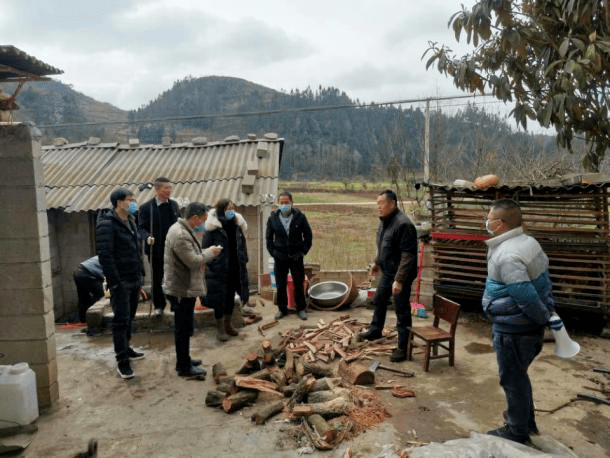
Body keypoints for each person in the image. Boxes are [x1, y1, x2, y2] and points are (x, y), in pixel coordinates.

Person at [483, 198, 555, 444]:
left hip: (514, 332)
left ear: (501, 224)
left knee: (512, 379)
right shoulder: (529, 242)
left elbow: (526, 297)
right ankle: (526, 421)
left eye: (490, 219)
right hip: (526, 330)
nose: (487, 223)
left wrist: (541, 320)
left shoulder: (508, 255)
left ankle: (517, 431)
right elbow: (544, 283)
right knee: (520, 377)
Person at [163, 203, 221, 377]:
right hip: (181, 288)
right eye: (203, 219)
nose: (203, 223)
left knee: (186, 327)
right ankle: (183, 367)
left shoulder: (182, 229)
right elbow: (194, 261)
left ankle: (185, 359)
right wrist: (210, 253)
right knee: (182, 329)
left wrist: (206, 252)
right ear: (195, 218)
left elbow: (193, 254)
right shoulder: (180, 235)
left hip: (182, 285)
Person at [360, 189, 418, 362]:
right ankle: (375, 330)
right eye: (377, 204)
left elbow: (408, 255)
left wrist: (399, 280)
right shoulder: (384, 221)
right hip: (388, 271)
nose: (378, 207)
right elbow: (383, 246)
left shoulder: (403, 224)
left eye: (381, 204)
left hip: (401, 274)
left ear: (391, 204)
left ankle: (403, 347)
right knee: (379, 299)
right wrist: (377, 263)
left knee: (401, 309)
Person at [96, 188, 145, 380]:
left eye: (134, 199)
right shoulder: (107, 224)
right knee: (120, 321)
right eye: (130, 200)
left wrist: (140, 278)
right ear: (118, 202)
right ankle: (122, 361)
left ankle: (127, 347)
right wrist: (116, 283)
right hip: (120, 282)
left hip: (133, 279)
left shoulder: (130, 220)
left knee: (129, 318)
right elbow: (105, 257)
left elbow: (135, 251)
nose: (134, 203)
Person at [203, 199, 249, 342]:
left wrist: (244, 259)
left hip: (235, 267)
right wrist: (213, 264)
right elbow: (205, 249)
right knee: (219, 300)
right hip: (219, 269)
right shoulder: (213, 228)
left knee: (230, 297)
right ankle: (220, 329)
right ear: (221, 209)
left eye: (232, 208)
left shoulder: (237, 225)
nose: (231, 211)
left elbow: (243, 244)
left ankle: (228, 325)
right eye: (228, 208)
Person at [265, 191, 313, 321]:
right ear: (278, 204)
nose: (284, 205)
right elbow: (268, 239)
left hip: (296, 256)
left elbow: (308, 236)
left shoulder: (300, 217)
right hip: (280, 257)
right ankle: (282, 309)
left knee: (298, 283)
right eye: (282, 203)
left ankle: (301, 309)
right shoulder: (272, 218)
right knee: (280, 284)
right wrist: (274, 254)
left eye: (287, 203)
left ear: (292, 203)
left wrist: (302, 251)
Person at [138, 177, 180, 316]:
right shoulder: (146, 208)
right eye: (166, 188)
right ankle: (159, 306)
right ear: (157, 189)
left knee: (173, 277)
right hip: (155, 250)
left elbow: (179, 225)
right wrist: (147, 237)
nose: (169, 191)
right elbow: (141, 228)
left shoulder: (174, 205)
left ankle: (174, 303)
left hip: (172, 249)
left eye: (170, 188)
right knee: (157, 279)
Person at [73, 256, 104, 323]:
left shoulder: (103, 256)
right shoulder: (112, 259)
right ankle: (93, 318)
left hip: (78, 272)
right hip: (86, 273)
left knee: (83, 299)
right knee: (100, 295)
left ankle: (83, 320)